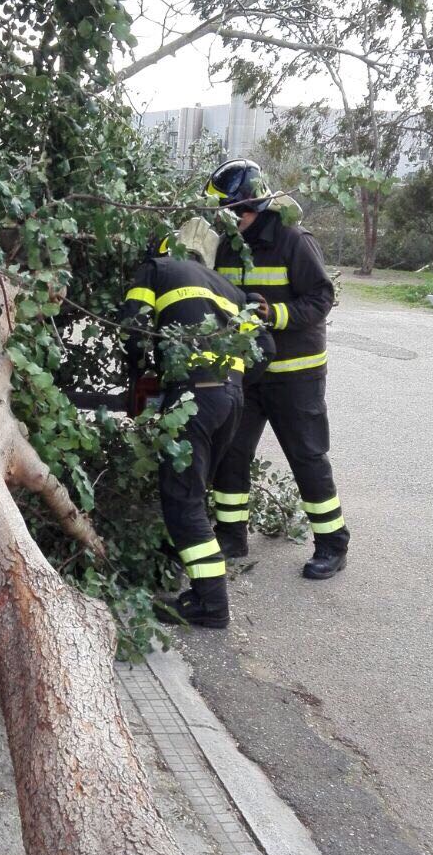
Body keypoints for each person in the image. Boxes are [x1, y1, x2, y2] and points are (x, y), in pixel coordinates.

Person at [120, 216, 267, 629]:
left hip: (194, 396)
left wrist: (141, 375)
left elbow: (132, 331)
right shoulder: (228, 289)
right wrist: (230, 382)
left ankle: (212, 604)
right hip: (231, 399)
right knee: (193, 491)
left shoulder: (155, 269)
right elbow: (265, 349)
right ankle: (193, 578)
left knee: (182, 499)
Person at [207, 158, 349, 580]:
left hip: (295, 375)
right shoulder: (227, 244)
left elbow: (321, 298)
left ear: (250, 205)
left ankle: (332, 543)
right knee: (231, 453)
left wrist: (276, 314)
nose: (225, 218)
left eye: (231, 210)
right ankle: (231, 535)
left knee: (307, 456)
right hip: (247, 373)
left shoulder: (293, 241)